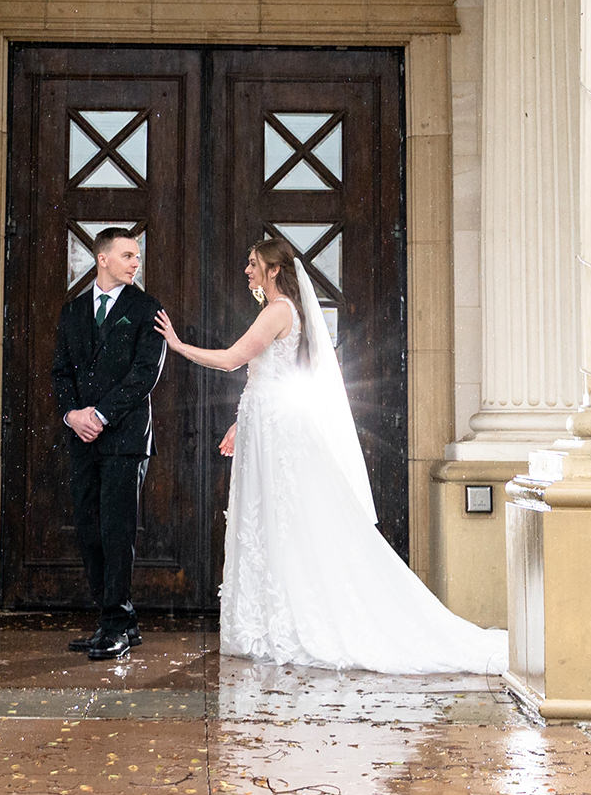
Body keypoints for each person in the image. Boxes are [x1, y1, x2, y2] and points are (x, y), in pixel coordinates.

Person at [155, 233, 509, 676]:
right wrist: (240, 420)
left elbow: (232, 360)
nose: (247, 270)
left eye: (253, 263)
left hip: (275, 433)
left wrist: (179, 345)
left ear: (274, 270)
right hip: (267, 425)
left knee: (279, 519)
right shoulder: (288, 313)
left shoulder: (278, 311)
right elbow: (272, 379)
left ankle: (285, 621)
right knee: (274, 520)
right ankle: (270, 620)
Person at [49, 227, 166, 661]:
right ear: (103, 259)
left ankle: (116, 624)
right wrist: (73, 415)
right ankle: (114, 620)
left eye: (137, 256)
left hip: (125, 438)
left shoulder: (146, 308)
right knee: (89, 531)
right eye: (128, 255)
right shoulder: (73, 311)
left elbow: (144, 374)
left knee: (118, 533)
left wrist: (100, 415)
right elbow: (61, 373)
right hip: (82, 439)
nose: (136, 262)